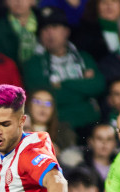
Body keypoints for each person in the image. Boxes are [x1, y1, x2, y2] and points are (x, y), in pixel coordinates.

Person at [22, 6, 106, 142]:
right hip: (58, 129)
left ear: (66, 31)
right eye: (44, 29)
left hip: (91, 125)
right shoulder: (34, 64)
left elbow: (98, 86)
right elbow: (49, 96)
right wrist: (83, 89)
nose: (49, 33)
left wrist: (63, 84)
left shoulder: (84, 58)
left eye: (54, 27)